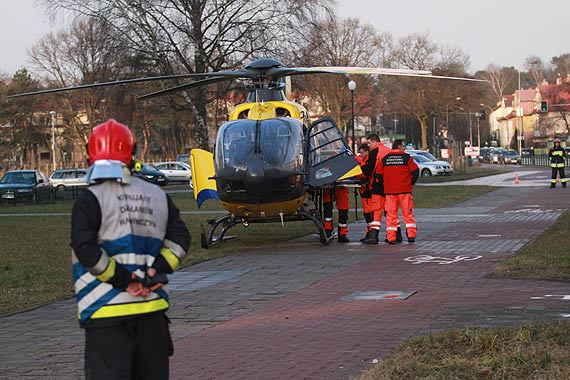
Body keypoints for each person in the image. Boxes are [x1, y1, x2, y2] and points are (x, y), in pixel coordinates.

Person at [71, 119, 191, 380]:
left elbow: (86, 250)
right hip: (152, 311)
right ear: (132, 153)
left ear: (91, 154)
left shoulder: (91, 198)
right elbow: (181, 238)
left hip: (105, 312)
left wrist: (126, 282)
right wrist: (155, 272)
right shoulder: (157, 194)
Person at [378, 139, 419, 244]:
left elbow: (378, 174)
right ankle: (411, 235)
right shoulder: (406, 158)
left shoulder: (385, 159)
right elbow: (415, 171)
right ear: (399, 146)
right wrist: (410, 183)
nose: (404, 148)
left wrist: (385, 184)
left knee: (391, 215)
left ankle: (391, 238)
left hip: (390, 191)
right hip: (404, 190)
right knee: (407, 213)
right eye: (403, 146)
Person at [360, 134, 391, 244]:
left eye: (369, 143)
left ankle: (374, 235)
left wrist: (363, 166)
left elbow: (369, 171)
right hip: (390, 185)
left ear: (374, 142)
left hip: (378, 185)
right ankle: (394, 235)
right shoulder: (388, 150)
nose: (369, 146)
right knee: (390, 211)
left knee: (377, 211)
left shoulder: (374, 152)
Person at [355, 144, 374, 236]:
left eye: (362, 153)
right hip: (366, 191)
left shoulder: (367, 162)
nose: (360, 154)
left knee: (369, 213)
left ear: (367, 152)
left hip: (368, 191)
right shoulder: (365, 160)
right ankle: (370, 231)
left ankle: (371, 232)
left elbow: (363, 173)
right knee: (368, 213)